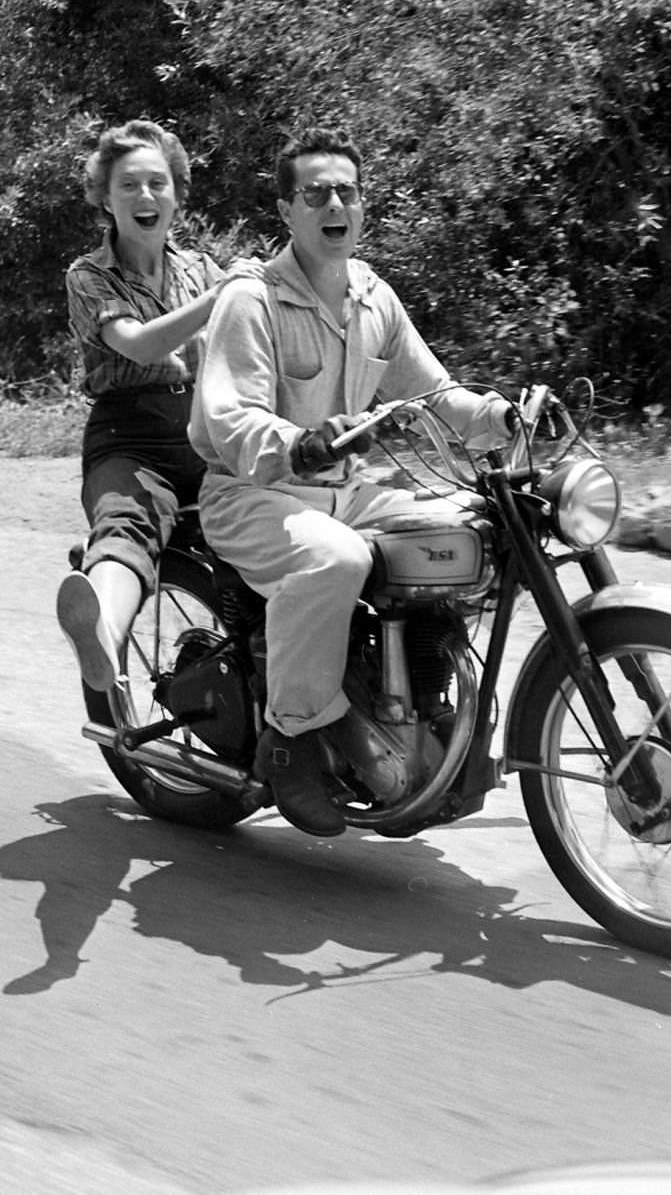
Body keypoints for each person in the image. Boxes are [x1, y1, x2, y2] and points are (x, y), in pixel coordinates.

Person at [188, 125, 515, 837]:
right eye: (316, 193)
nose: (335, 204)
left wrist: (502, 418)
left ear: (364, 206)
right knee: (335, 557)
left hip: (349, 488)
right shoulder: (253, 299)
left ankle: (423, 702)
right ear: (287, 210)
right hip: (251, 493)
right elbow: (230, 418)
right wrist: (297, 443)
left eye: (348, 192)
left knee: (462, 530)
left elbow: (435, 396)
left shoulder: (373, 297)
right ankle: (292, 737)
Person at [56, 119, 259, 692]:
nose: (146, 196)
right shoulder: (89, 275)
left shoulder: (201, 269)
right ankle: (103, 632)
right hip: (130, 440)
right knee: (128, 524)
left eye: (158, 183)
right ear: (106, 199)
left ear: (176, 194)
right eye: (129, 185)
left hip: (208, 434)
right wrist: (223, 298)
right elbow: (140, 344)